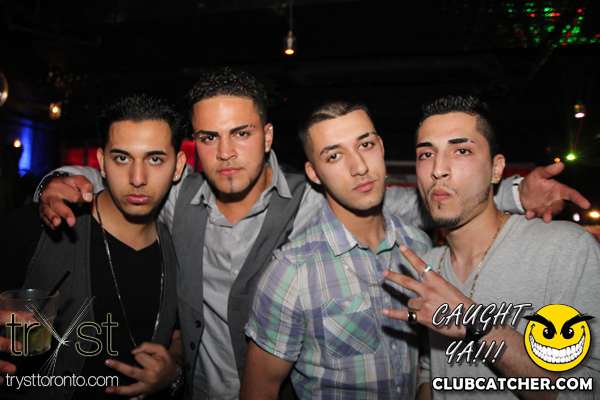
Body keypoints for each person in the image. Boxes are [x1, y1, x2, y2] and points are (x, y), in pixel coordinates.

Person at [34, 68, 589, 400]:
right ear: (191, 150)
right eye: (208, 138)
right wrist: (55, 182)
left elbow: (412, 197)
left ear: (267, 136)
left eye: (241, 133)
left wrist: (512, 192)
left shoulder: (312, 202)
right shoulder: (178, 197)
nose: (226, 153)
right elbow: (126, 175)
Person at [382, 95, 600, 399]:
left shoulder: (564, 249)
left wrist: (475, 323)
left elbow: (587, 389)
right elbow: (433, 371)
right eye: (426, 154)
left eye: (461, 150)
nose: (438, 169)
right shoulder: (427, 265)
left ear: (497, 169)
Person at [241, 100, 432, 399]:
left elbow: (426, 357)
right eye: (334, 156)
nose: (360, 167)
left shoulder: (419, 245)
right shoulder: (291, 272)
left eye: (365, 145)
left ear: (381, 146)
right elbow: (259, 391)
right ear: (314, 173)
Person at [0, 94, 187, 399]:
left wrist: (173, 370)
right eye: (122, 158)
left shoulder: (179, 249)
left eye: (155, 159)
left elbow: (178, 335)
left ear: (178, 166)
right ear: (101, 162)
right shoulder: (38, 228)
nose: (137, 178)